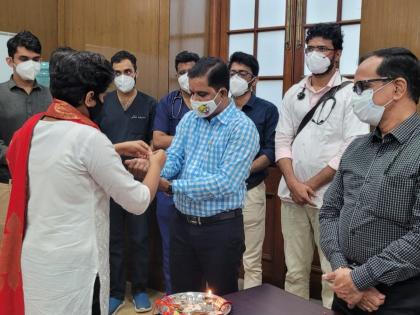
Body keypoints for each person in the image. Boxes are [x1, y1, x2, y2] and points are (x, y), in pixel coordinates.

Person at [0, 51, 166, 315]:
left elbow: (66, 159)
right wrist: (157, 163)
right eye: (101, 97)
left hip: (35, 257)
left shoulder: (31, 129)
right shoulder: (90, 138)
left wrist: (116, 147)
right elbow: (138, 201)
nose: (103, 101)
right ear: (89, 98)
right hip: (76, 265)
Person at [275, 22, 369, 308]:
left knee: (333, 273)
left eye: (322, 49)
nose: (315, 54)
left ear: (337, 54)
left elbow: (351, 148)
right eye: (311, 48)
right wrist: (293, 183)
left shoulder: (351, 94)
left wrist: (311, 185)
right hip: (291, 197)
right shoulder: (294, 93)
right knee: (295, 270)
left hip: (330, 200)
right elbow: (282, 139)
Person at [320, 47, 420, 315]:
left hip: (400, 297)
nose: (356, 96)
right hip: (345, 286)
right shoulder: (356, 148)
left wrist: (359, 279)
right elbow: (329, 211)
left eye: (363, 86)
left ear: (398, 88)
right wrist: (344, 273)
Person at [160, 57, 259, 295]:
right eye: (192, 93)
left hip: (220, 230)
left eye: (202, 94)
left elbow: (225, 182)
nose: (194, 100)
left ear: (222, 93)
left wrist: (172, 187)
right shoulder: (189, 119)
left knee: (222, 298)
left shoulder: (242, 128)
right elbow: (175, 156)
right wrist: (154, 171)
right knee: (183, 297)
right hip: (182, 223)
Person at [95, 50, 157, 314]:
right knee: (114, 238)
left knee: (140, 236)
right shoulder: (102, 103)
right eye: (117, 73)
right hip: (107, 181)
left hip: (137, 180)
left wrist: (147, 161)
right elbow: (93, 141)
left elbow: (155, 141)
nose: (123, 77)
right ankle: (116, 292)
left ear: (136, 72)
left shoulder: (149, 104)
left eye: (128, 72)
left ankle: (140, 289)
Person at [228, 51, 279, 289]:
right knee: (221, 256)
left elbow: (270, 151)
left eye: (243, 73)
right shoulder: (220, 108)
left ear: (254, 80)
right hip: (220, 192)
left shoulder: (267, 110)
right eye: (232, 73)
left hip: (251, 189)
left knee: (251, 259)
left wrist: (242, 170)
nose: (236, 77)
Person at [153, 50, 199, 294]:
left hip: (200, 189)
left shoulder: (210, 102)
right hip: (168, 185)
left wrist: (178, 140)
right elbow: (158, 140)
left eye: (191, 71)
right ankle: (173, 300)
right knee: (171, 249)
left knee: (200, 251)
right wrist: (191, 139)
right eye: (182, 73)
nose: (186, 77)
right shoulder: (167, 103)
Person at [0, 31, 52, 241]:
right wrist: (18, 156)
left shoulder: (51, 95)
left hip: (44, 183)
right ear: (10, 61)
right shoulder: (0, 94)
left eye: (36, 59)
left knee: (39, 243)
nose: (31, 64)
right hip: (7, 181)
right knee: (7, 244)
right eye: (24, 59)